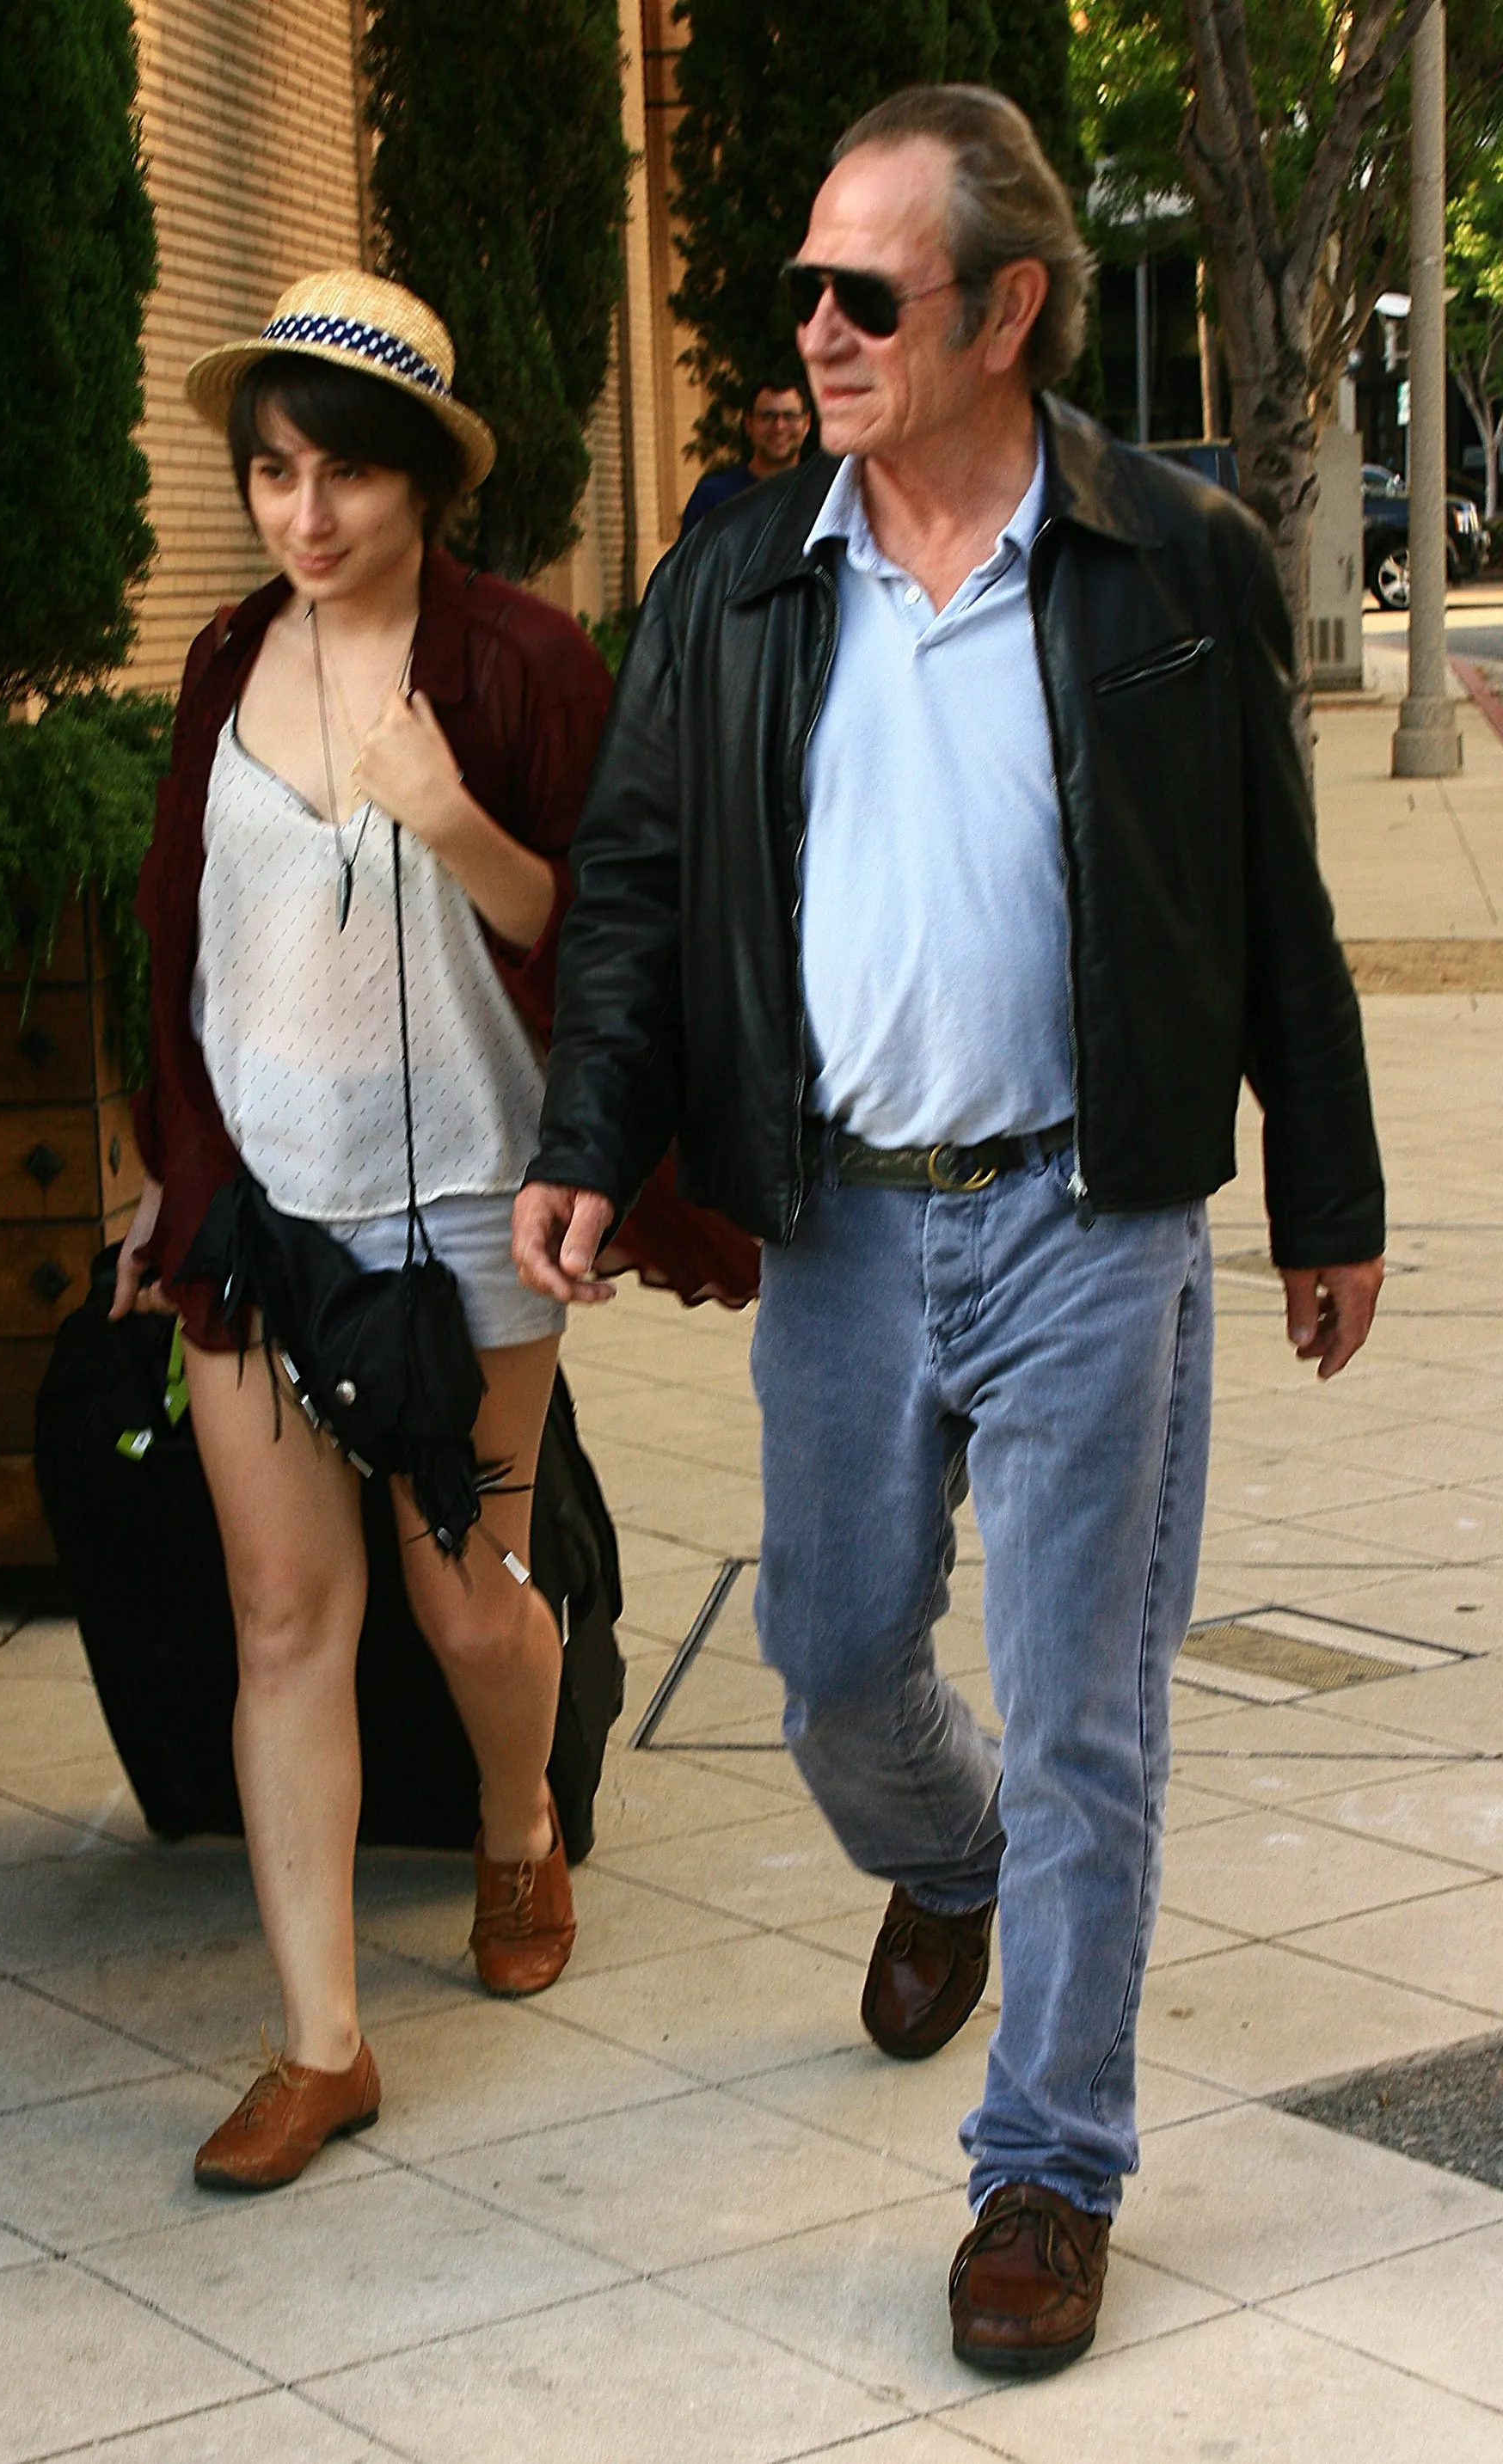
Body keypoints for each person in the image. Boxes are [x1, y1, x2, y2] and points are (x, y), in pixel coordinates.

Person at [514, 87, 1385, 2376]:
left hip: (1093, 1218)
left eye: (863, 291)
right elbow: (631, 887)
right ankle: (949, 1857)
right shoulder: (737, 567)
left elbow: (1270, 907)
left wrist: (1334, 1188)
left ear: (1005, 309)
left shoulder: (1169, 561)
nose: (813, 325)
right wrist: (595, 1132)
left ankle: (1047, 2168)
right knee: (828, 1663)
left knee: (1090, 1712)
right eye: (802, 284)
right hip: (847, 1228)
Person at [113, 271, 751, 2193]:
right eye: (276, 475)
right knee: (288, 1616)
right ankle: (320, 2044)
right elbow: (189, 936)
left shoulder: (522, 663)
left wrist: (449, 812)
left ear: (426, 485)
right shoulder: (228, 656)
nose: (308, 519)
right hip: (259, 1223)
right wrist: (173, 1166)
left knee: (470, 1596)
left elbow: (616, 938)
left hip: (473, 1217)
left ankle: (513, 1818)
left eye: (348, 479)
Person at [679, 375, 812, 533]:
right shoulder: (712, 498)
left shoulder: (821, 498)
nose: (779, 427)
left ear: (806, 423)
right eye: (767, 417)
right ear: (749, 424)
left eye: (789, 416)